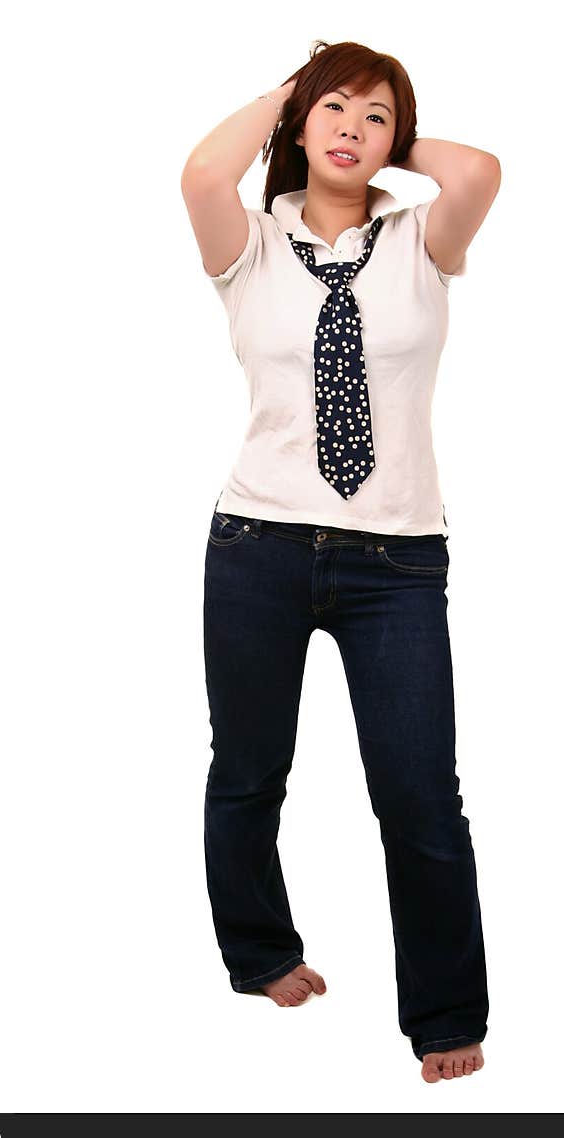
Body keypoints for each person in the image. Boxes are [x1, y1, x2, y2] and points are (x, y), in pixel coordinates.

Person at [180, 39, 500, 1084]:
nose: (351, 128)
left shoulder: (421, 243)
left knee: (419, 794)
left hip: (396, 563)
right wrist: (288, 99)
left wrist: (375, 139)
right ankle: (260, 952)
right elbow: (197, 174)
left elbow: (479, 172)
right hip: (256, 547)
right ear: (294, 124)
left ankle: (446, 1013)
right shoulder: (249, 247)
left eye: (374, 115)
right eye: (334, 110)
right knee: (248, 772)